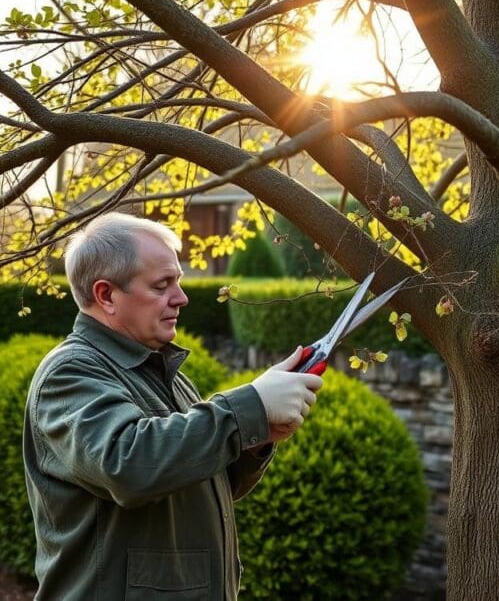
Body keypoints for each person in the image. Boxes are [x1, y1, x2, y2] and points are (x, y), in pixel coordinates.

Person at [23, 212, 322, 600]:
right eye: (162, 285)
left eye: (177, 282)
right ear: (106, 295)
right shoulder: (69, 373)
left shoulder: (164, 371)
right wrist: (248, 407)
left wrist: (257, 434)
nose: (181, 298)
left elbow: (197, 479)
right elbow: (127, 464)